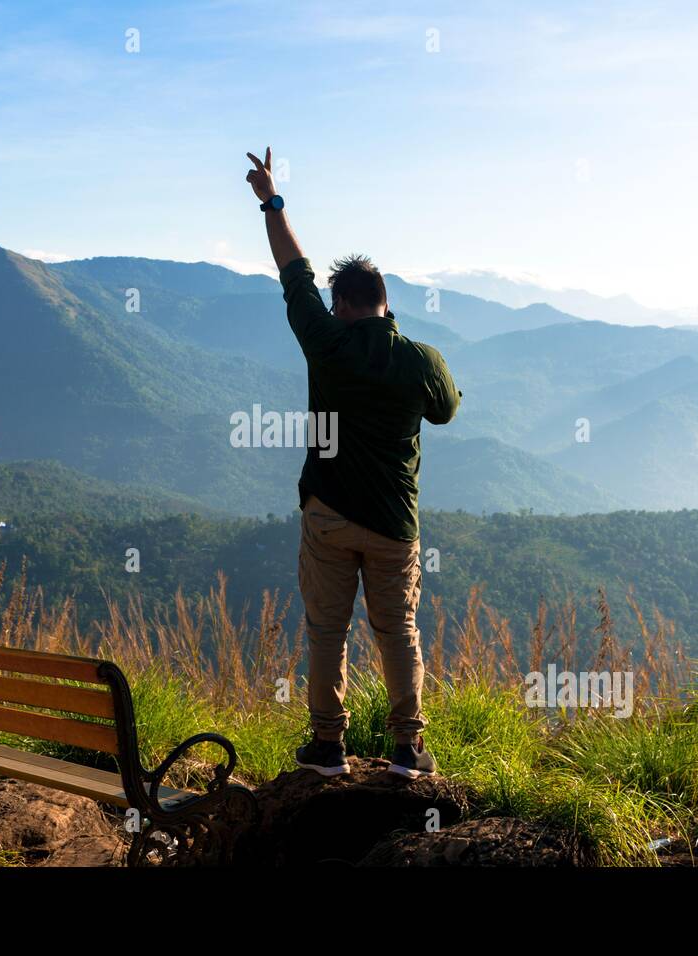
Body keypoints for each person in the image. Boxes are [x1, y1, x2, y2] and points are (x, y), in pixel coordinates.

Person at [245, 147, 462, 778]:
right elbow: (446, 412)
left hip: (329, 513)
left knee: (325, 633)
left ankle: (328, 747)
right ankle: (407, 750)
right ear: (387, 303)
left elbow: (293, 270)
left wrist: (271, 200)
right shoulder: (420, 358)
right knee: (398, 634)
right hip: (395, 521)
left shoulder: (326, 340)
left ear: (340, 303)